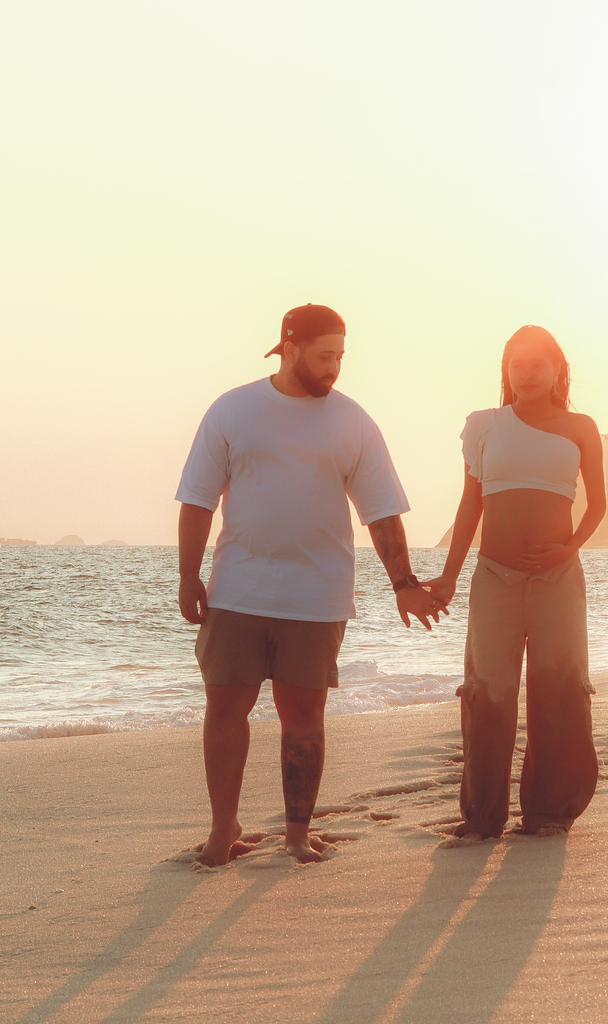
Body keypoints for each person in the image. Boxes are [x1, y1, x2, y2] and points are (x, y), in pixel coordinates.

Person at [176, 303, 443, 865]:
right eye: (324, 356)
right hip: (236, 590)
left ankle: (297, 833)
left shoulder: (352, 422)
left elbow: (382, 513)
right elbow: (198, 499)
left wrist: (404, 583)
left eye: (341, 356)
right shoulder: (234, 409)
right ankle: (224, 828)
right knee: (225, 708)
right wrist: (187, 576)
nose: (334, 368)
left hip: (317, 596)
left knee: (304, 717)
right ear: (289, 349)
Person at [425, 325, 606, 838]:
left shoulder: (581, 427)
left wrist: (568, 548)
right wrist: (448, 577)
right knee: (488, 693)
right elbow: (469, 505)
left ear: (557, 371)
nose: (527, 374)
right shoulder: (484, 427)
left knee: (561, 690)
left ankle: (550, 812)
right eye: (517, 365)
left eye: (538, 365)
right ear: (506, 371)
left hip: (558, 578)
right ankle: (482, 817)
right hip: (495, 577)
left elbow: (600, 504)